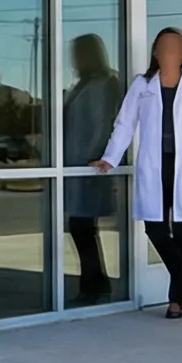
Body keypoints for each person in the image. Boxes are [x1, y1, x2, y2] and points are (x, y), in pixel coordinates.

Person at [91, 26, 182, 318]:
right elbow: (125, 123)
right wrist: (110, 158)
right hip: (155, 165)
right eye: (164, 48)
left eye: (175, 48)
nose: (169, 53)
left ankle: (176, 301)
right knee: (154, 227)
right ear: (155, 52)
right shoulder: (142, 85)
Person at [60, 32, 127, 304]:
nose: (74, 59)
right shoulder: (81, 86)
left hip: (91, 165)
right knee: (80, 224)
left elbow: (104, 124)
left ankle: (94, 284)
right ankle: (95, 281)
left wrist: (94, 159)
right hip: (74, 162)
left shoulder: (105, 85)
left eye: (78, 53)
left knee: (81, 224)